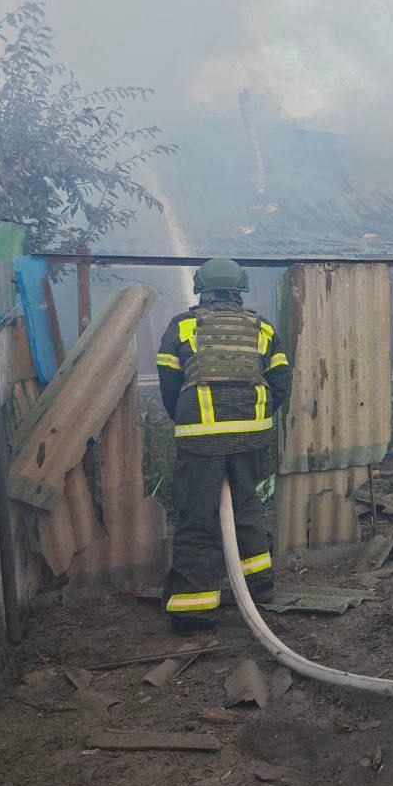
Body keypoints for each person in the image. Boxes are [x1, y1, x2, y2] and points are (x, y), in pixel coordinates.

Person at [156, 257, 292, 634]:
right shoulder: (261, 327)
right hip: (251, 435)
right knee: (246, 507)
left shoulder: (182, 325)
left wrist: (186, 418)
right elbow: (280, 381)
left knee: (197, 516)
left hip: (201, 438)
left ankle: (194, 611)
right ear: (239, 288)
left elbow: (169, 382)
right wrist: (257, 419)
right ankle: (259, 587)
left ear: (201, 286)